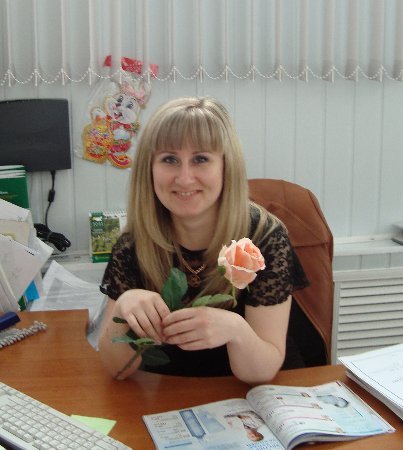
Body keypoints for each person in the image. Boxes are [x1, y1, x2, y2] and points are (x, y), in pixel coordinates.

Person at [98, 96, 309, 384]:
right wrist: (123, 308)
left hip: (251, 391)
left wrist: (235, 329)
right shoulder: (132, 245)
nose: (184, 178)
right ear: (150, 168)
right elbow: (117, 370)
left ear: (225, 166)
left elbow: (260, 372)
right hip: (171, 393)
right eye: (169, 159)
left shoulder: (264, 237)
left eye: (200, 159)